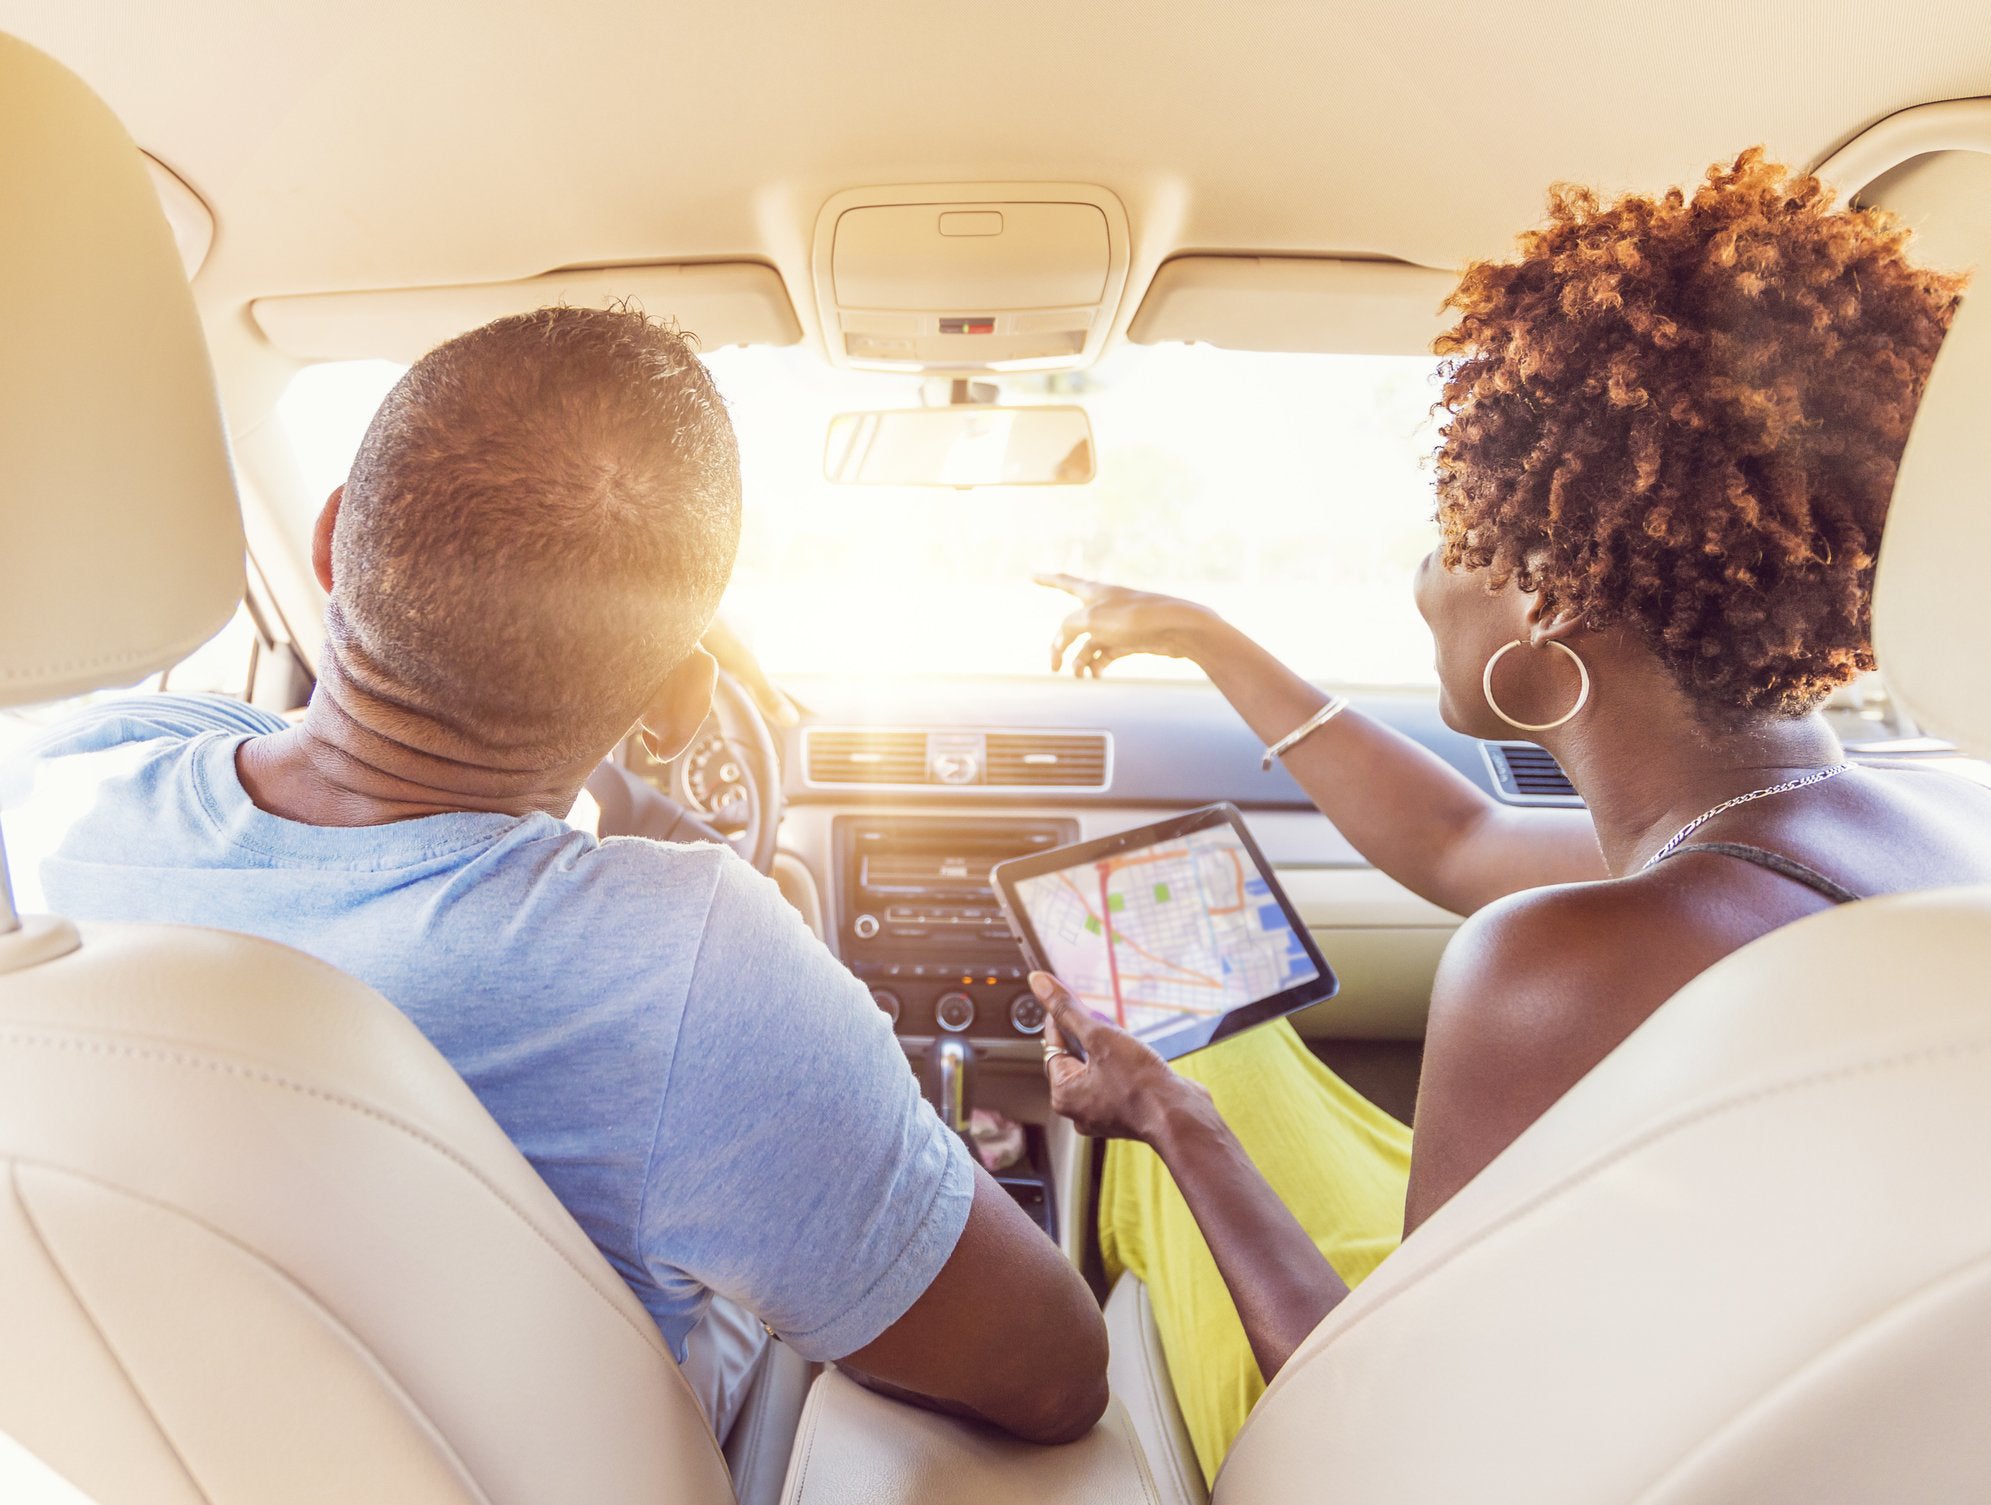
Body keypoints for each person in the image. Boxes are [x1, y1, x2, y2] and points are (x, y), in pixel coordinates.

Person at [1032, 148, 1991, 1485]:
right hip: (1756, 1416)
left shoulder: (1554, 963)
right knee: (1232, 1054)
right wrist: (1203, 637)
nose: (1421, 584)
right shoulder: (1916, 827)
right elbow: (1450, 846)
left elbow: (1386, 1429)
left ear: (1542, 595)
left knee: (1202, 1081)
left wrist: (1159, 1115)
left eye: (1447, 538)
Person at [4, 306, 1107, 1446]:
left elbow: (290, 753)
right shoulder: (689, 965)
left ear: (330, 542)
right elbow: (1052, 1372)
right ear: (680, 705)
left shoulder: (66, 781)